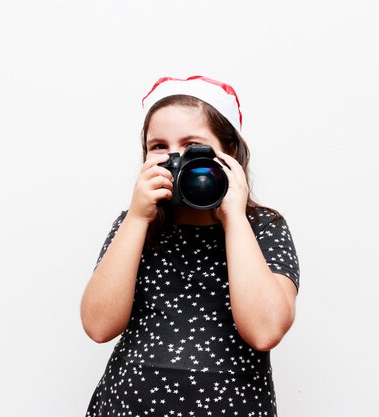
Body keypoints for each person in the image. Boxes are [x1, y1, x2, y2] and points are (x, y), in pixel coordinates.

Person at [80, 75, 300, 417]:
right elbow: (98, 326)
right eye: (158, 146)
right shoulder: (136, 224)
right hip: (128, 404)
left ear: (229, 153)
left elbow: (265, 330)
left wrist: (234, 218)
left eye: (192, 145)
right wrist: (137, 218)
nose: (175, 159)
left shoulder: (263, 228)